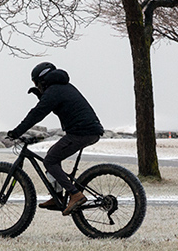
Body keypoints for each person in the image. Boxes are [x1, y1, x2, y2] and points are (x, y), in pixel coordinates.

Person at [6, 62, 104, 215]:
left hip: (81, 132)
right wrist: (41, 95)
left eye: (37, 83)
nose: (37, 86)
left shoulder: (54, 91)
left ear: (42, 80)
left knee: (50, 160)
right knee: (53, 155)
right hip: (88, 131)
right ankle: (57, 196)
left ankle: (75, 194)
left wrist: (16, 132)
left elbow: (37, 113)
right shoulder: (61, 87)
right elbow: (51, 104)